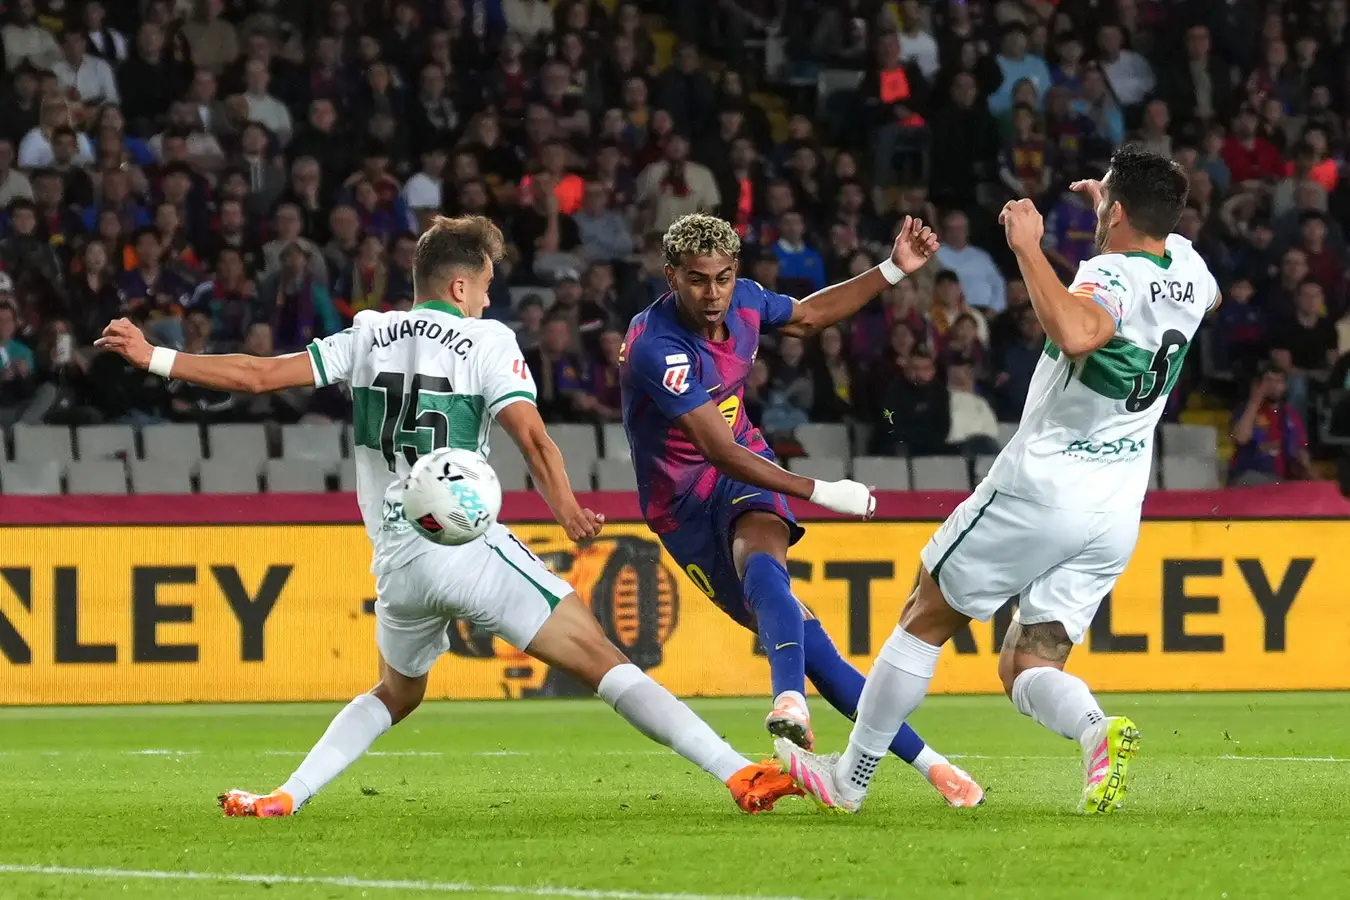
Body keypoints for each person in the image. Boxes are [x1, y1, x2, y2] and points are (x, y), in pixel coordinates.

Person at [94, 215, 802, 818]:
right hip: (466, 545)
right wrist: (563, 507)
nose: (490, 294)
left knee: (396, 693)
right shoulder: (487, 341)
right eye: (488, 283)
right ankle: (738, 771)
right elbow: (530, 434)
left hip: (398, 562)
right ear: (462, 286)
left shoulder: (366, 335)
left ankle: (286, 794)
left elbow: (254, 375)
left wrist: (151, 353)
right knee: (604, 661)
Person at [775, 146, 1218, 815]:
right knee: (1026, 664)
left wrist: (1028, 248)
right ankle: (1095, 730)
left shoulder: (1110, 278)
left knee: (924, 616)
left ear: (1119, 211)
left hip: (1045, 488)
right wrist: (1116, 205)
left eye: (1107, 203)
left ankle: (850, 779)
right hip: (1117, 506)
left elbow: (1076, 332)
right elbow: (1185, 296)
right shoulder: (1189, 265)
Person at [619, 213, 983, 807]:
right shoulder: (657, 347)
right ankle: (933, 764)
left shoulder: (746, 302)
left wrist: (894, 268)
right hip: (681, 503)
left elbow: (811, 316)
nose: (712, 294)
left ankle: (788, 702)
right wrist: (818, 490)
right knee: (809, 641)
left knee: (764, 565)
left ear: (736, 273)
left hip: (744, 470)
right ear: (671, 277)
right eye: (696, 280)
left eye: (723, 278)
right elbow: (715, 449)